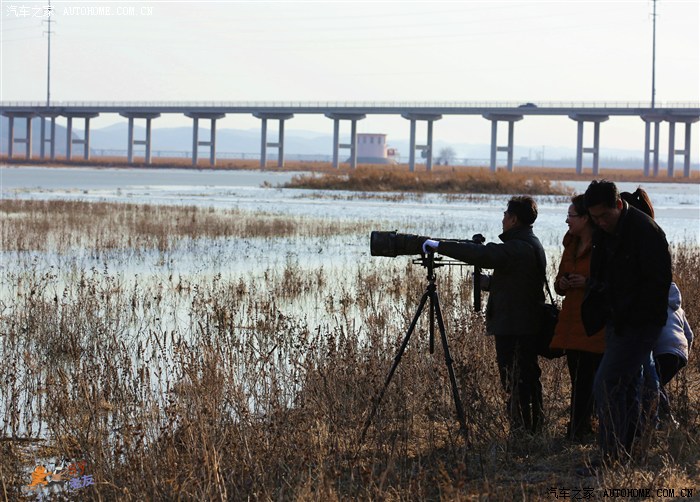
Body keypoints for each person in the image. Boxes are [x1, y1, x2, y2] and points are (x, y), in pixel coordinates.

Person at [422, 195, 546, 434]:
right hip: (525, 322)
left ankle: (522, 431)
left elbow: (484, 255)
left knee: (515, 378)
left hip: (515, 326)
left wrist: (439, 245)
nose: (502, 219)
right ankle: (533, 427)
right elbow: (518, 281)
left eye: (504, 215)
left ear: (513, 219)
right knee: (527, 377)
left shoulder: (517, 247)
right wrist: (489, 283)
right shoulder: (530, 243)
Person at [581, 180, 672, 465]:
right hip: (616, 319)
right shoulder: (604, 232)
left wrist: (630, 313)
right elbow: (605, 274)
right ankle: (628, 454)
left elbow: (657, 285)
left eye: (604, 216)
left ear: (618, 205)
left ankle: (612, 455)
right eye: (594, 218)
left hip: (639, 324)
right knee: (628, 388)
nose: (599, 222)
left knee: (607, 384)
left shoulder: (647, 233)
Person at [620, 188, 694, 426]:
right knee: (653, 385)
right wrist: (685, 349)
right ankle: (664, 420)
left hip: (659, 347)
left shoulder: (639, 252)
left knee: (647, 384)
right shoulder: (671, 294)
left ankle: (661, 422)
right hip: (678, 350)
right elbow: (688, 332)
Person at [551, 194, 604, 442]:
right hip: (571, 323)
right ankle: (581, 427)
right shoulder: (571, 245)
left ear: (585, 218)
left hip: (593, 325)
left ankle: (582, 429)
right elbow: (558, 283)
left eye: (571, 216)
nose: (567, 221)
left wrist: (587, 283)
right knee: (577, 380)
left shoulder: (602, 247)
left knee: (589, 381)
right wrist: (561, 283)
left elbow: (611, 284)